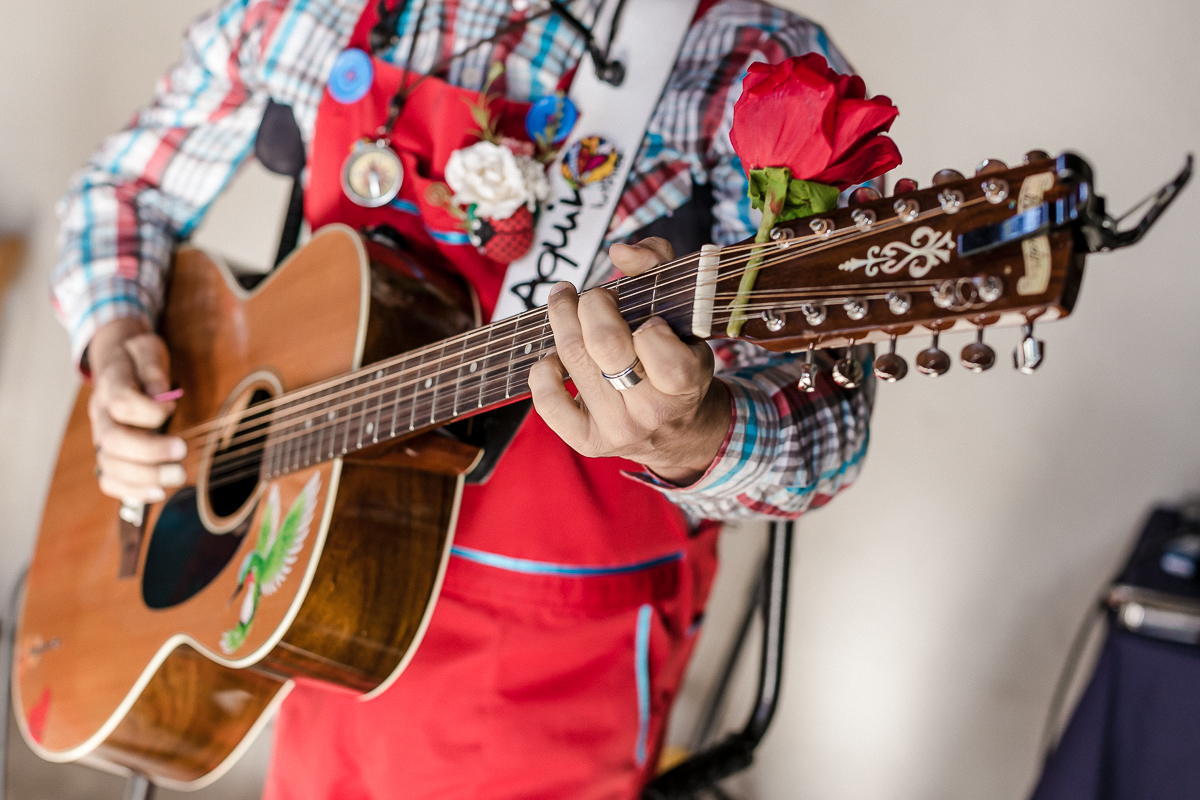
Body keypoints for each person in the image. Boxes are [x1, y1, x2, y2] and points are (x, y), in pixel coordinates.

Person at [51, 0, 874, 797]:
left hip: (547, 637)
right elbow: (121, 191)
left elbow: (830, 426)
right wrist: (115, 336)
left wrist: (695, 436)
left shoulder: (751, 65)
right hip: (310, 585)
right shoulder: (306, 11)